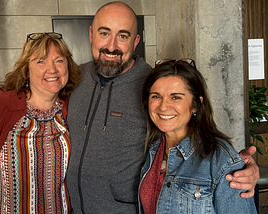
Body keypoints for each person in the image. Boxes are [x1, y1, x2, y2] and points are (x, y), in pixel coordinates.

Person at [66, 2, 259, 214]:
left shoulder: (150, 80)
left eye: (123, 36)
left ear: (135, 41)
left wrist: (235, 167)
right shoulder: (72, 78)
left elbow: (193, 129)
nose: (111, 46)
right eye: (104, 33)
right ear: (91, 33)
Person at [0, 32, 80, 213]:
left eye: (59, 60)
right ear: (26, 69)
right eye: (41, 61)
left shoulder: (75, 107)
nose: (52, 69)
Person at [139, 59, 257, 213]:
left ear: (196, 105)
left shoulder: (220, 160)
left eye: (176, 97)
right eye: (156, 96)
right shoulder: (150, 149)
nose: (163, 106)